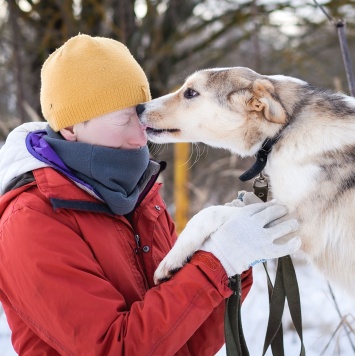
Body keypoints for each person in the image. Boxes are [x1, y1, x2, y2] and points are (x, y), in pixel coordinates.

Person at [0, 34, 300, 355]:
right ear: (71, 128)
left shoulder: (138, 193)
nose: (139, 137)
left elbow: (185, 343)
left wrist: (231, 259)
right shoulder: (31, 220)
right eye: (122, 120)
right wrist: (214, 263)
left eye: (141, 117)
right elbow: (116, 349)